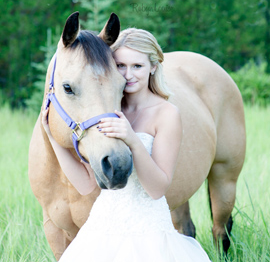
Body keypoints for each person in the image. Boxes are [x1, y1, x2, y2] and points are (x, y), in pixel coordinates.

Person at [41, 28, 210, 262]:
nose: (128, 74)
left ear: (153, 66)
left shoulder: (167, 114)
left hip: (148, 232)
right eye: (120, 65)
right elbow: (86, 184)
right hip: (104, 227)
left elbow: (157, 189)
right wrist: (53, 139)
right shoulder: (108, 109)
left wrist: (132, 140)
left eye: (137, 66)